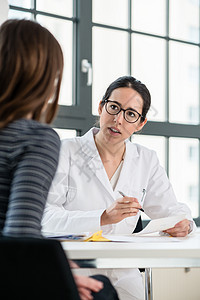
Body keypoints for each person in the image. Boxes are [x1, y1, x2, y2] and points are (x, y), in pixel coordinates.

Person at [42, 75, 196, 300]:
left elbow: (171, 210)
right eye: (113, 107)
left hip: (125, 270)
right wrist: (103, 217)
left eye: (130, 114)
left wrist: (184, 224)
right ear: (101, 107)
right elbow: (45, 218)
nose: (118, 120)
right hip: (74, 269)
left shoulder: (146, 159)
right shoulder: (65, 151)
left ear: (141, 123)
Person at [0, 19, 119, 300]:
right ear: (46, 78)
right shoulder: (36, 138)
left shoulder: (146, 158)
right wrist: (56, 275)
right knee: (102, 289)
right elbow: (21, 238)